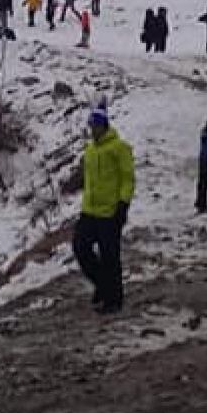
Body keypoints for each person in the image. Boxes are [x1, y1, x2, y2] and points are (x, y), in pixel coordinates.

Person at [72, 104, 135, 312]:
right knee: (80, 248)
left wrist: (123, 204)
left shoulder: (119, 147)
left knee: (110, 258)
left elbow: (128, 178)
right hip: (89, 211)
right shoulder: (89, 150)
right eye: (91, 126)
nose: (93, 130)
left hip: (110, 212)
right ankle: (102, 284)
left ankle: (113, 300)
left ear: (105, 126)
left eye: (97, 126)